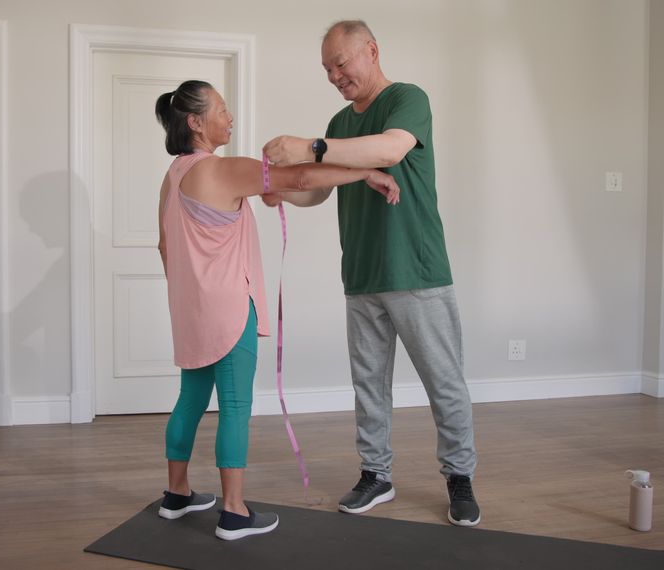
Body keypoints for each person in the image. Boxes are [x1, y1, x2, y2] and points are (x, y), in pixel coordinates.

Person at [153, 79, 400, 540]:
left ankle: (177, 494)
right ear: (195, 122)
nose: (229, 117)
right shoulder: (220, 170)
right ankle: (233, 511)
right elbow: (301, 179)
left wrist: (191, 292)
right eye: (222, 110)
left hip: (191, 310)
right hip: (228, 307)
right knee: (234, 405)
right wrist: (364, 172)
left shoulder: (172, 175)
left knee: (190, 398)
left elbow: (165, 246)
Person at [261, 20, 481, 527]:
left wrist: (311, 147)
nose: (336, 75)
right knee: (368, 384)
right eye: (327, 69)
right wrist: (280, 190)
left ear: (371, 51)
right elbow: (317, 189)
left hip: (417, 270)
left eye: (342, 63)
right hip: (361, 273)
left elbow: (388, 150)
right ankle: (375, 474)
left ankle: (460, 478)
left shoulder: (408, 98)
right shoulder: (340, 122)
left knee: (443, 381)